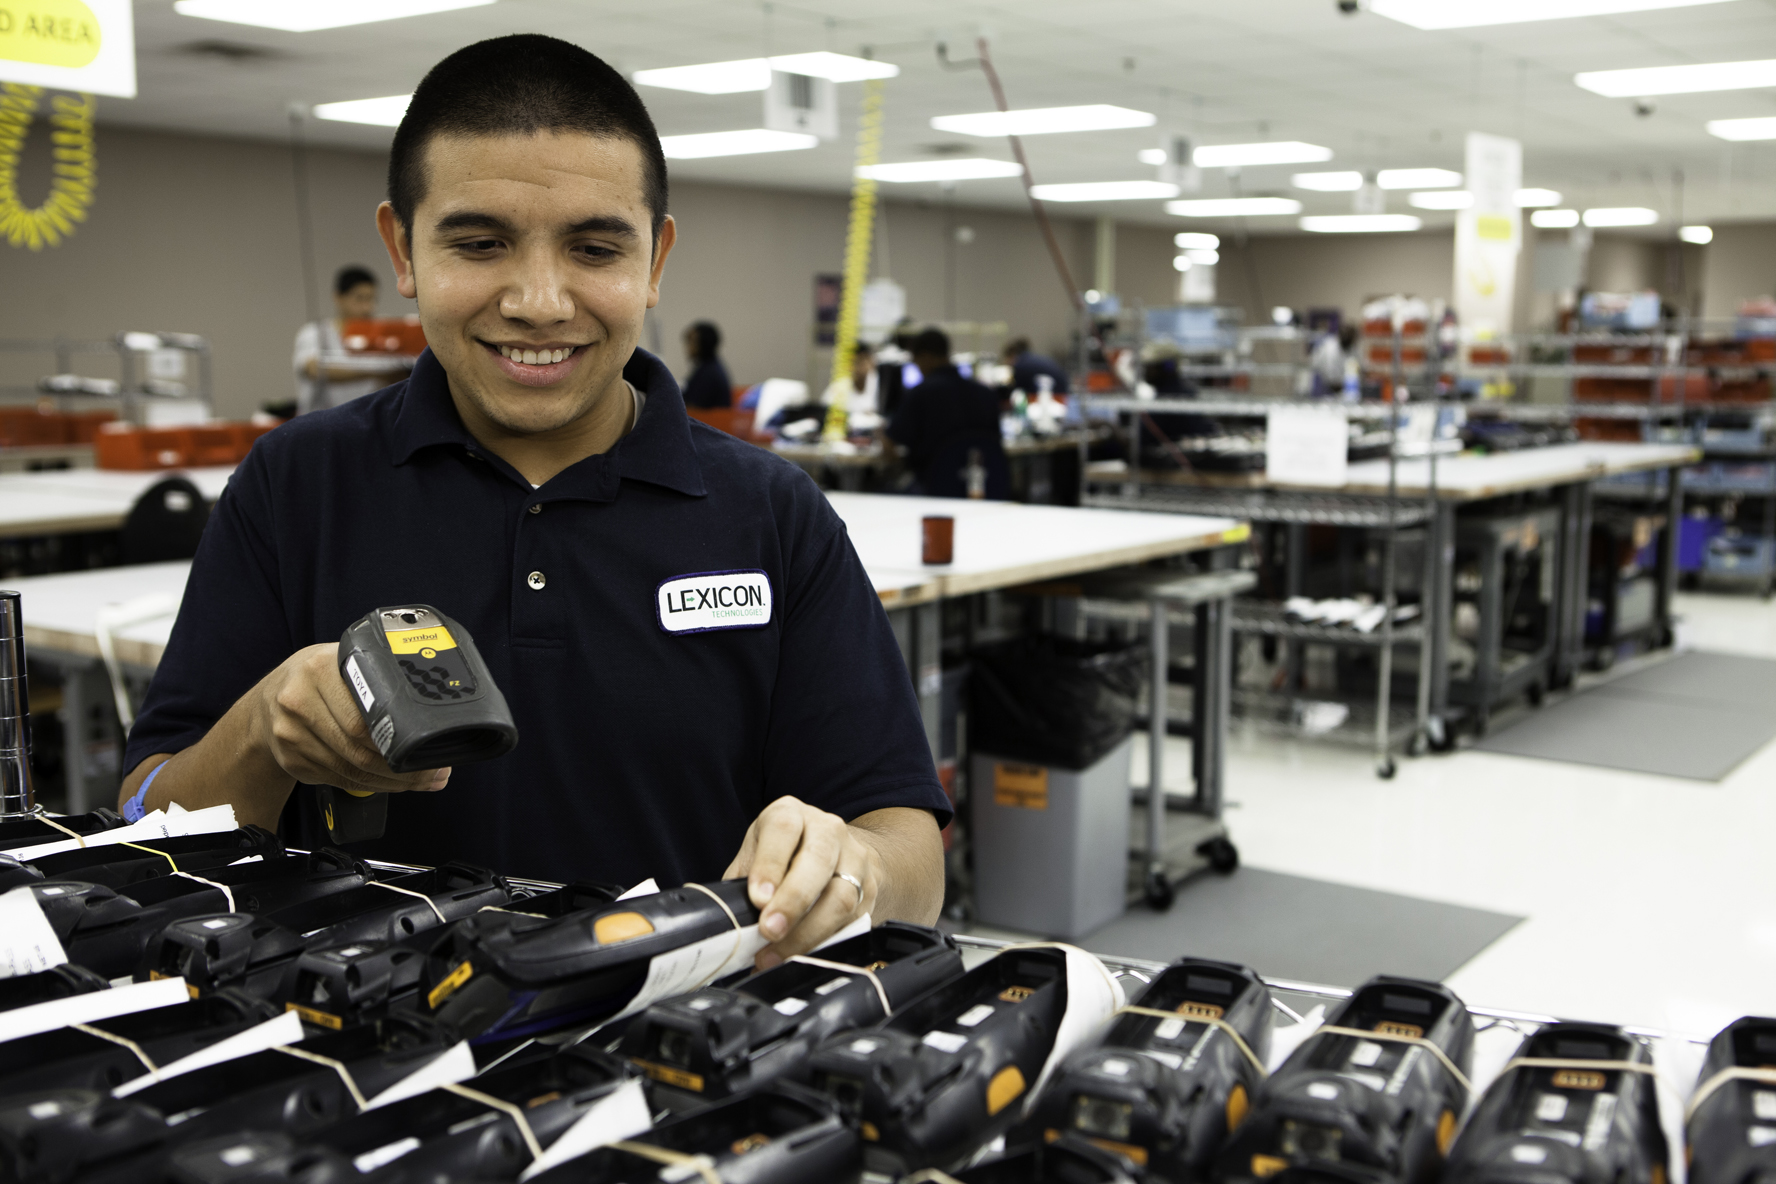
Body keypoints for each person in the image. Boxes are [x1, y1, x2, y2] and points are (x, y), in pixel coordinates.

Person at [117, 34, 947, 968]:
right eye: (479, 244)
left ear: (656, 259)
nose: (540, 302)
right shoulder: (295, 483)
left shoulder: (773, 514)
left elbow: (911, 853)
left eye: (595, 248)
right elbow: (145, 817)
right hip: (357, 1026)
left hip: (678, 1033)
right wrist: (262, 731)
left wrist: (855, 867)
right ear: (401, 248)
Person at [888, 327, 1003, 496]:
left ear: (926, 357)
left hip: (932, 491)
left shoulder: (920, 394)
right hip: (985, 488)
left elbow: (891, 443)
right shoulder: (986, 394)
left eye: (916, 362)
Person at [292, 265, 411, 414]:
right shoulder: (315, 333)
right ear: (338, 297)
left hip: (367, 421)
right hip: (323, 421)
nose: (367, 308)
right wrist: (379, 374)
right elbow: (314, 369)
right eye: (359, 299)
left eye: (371, 299)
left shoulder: (383, 335)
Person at [680, 320, 731, 409]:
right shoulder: (707, 367)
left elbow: (693, 407)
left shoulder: (710, 373)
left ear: (703, 343)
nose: (688, 346)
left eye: (691, 341)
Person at [1000, 336, 1070, 396]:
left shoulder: (1020, 365)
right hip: (1062, 389)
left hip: (1057, 393)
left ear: (1012, 355)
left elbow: (1016, 389)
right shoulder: (1029, 359)